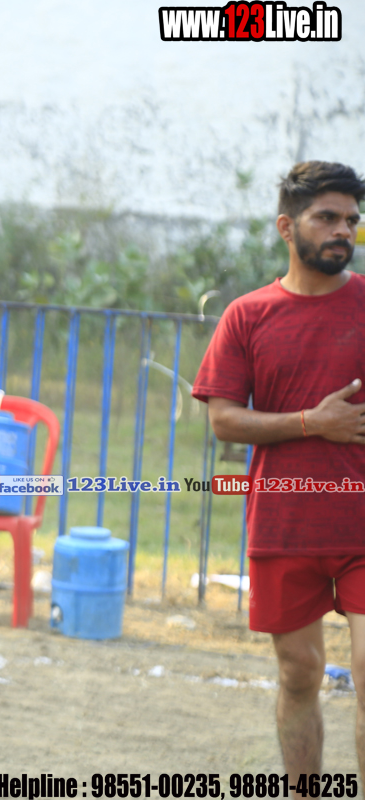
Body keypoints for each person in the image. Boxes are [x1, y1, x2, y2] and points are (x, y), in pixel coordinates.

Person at [192, 160, 365, 782]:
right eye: (327, 218)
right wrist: (311, 423)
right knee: (299, 674)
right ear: (287, 228)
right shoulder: (247, 315)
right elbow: (224, 420)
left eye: (351, 219)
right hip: (283, 526)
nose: (342, 230)